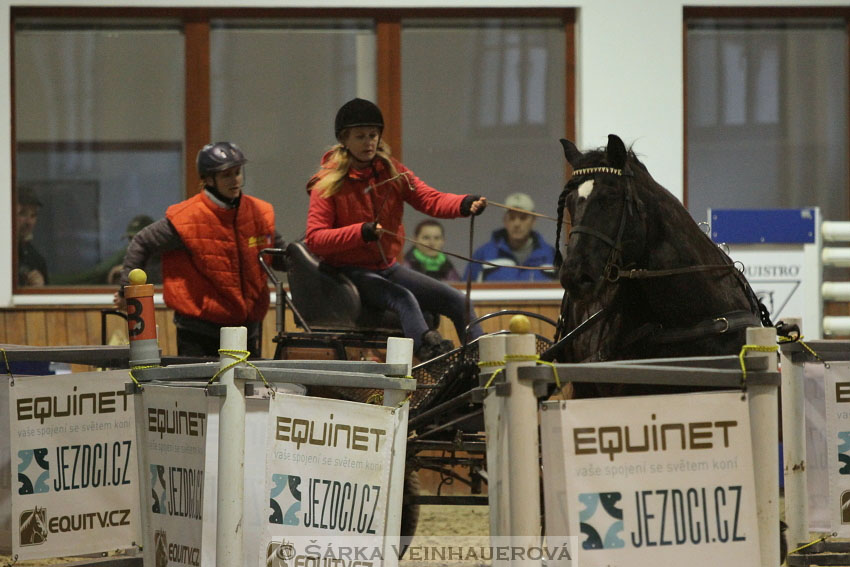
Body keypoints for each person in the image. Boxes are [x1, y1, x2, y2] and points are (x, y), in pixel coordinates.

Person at [305, 98, 486, 360]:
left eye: (373, 135)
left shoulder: (392, 173)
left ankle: (482, 362)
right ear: (344, 139)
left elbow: (429, 199)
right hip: (350, 273)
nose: (369, 142)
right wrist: (361, 232)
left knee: (458, 301)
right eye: (360, 136)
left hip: (387, 267)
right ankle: (429, 355)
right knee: (403, 299)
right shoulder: (327, 184)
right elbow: (316, 239)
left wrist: (463, 203)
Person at [116, 142, 283, 358]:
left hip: (248, 328)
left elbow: (279, 255)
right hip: (198, 330)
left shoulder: (259, 212)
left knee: (247, 390)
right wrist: (125, 291)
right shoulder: (186, 218)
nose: (236, 180)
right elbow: (141, 242)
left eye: (237, 172)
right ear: (208, 179)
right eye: (226, 175)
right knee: (200, 389)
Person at [466, 192, 557, 282]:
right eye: (512, 218)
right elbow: (465, 292)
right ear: (505, 220)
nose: (517, 224)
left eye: (523, 218)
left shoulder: (551, 256)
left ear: (533, 221)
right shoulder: (483, 255)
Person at [53, 215, 159, 285]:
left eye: (137, 239)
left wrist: (128, 270)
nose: (133, 244)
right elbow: (96, 273)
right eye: (130, 239)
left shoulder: (161, 252)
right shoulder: (127, 252)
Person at [16, 187, 48, 287]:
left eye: (33, 215)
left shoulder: (36, 261)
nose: (29, 222)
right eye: (22, 214)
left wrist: (38, 290)